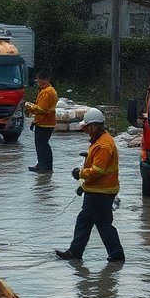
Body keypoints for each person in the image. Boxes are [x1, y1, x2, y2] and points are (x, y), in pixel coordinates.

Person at [56, 108, 125, 263]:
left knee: (103, 225)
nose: (86, 131)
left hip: (101, 193)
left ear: (94, 126)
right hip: (99, 190)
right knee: (85, 221)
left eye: (87, 127)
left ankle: (116, 255)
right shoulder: (102, 141)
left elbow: (97, 172)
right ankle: (76, 252)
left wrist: (79, 174)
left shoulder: (103, 146)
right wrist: (84, 186)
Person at [25, 71, 58, 173]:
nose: (37, 82)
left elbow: (42, 109)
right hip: (44, 122)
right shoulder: (47, 90)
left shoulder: (47, 92)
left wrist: (31, 107)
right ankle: (44, 165)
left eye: (38, 80)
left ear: (44, 80)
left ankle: (44, 166)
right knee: (43, 144)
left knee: (42, 145)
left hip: (45, 123)